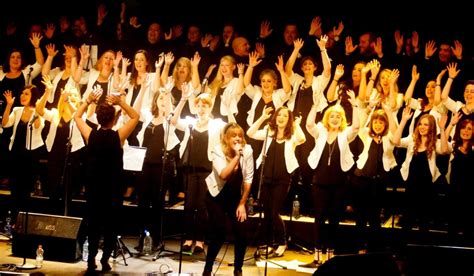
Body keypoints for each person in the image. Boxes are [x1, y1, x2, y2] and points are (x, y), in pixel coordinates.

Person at [74, 86, 139, 273]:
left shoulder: (90, 135)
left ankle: (91, 260)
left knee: (93, 225)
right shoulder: (118, 136)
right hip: (112, 189)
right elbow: (135, 117)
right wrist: (121, 102)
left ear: (98, 118)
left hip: (94, 188)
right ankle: (104, 260)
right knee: (111, 226)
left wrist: (87, 102)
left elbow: (77, 117)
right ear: (113, 119)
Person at [302, 92, 359, 267]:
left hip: (339, 182)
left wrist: (355, 105)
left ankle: (330, 255)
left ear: (342, 119)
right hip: (319, 181)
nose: (334, 118)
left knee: (334, 219)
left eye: (338, 116)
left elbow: (356, 127)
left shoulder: (345, 133)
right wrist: (314, 106)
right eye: (331, 116)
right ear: (327, 118)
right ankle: (317, 255)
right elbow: (309, 124)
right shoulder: (321, 131)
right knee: (319, 218)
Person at [171, 92, 226, 254]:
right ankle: (188, 239)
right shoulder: (190, 123)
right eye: (199, 105)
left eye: (205, 106)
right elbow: (173, 121)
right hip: (191, 169)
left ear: (210, 108)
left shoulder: (217, 124)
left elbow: (230, 131)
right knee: (189, 206)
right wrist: (182, 100)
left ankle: (200, 240)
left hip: (207, 170)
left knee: (202, 206)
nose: (201, 109)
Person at [247, 106, 305, 257]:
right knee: (266, 212)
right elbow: (250, 133)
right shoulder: (269, 132)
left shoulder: (291, 135)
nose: (281, 117)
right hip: (266, 177)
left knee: (274, 212)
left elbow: (302, 138)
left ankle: (282, 242)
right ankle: (268, 243)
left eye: (285, 116)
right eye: (279, 115)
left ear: (289, 120)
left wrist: (297, 125)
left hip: (283, 179)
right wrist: (262, 117)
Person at [203, 122, 253, 276]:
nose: (238, 139)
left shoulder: (248, 150)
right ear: (226, 138)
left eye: (240, 136)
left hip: (235, 198)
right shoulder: (218, 150)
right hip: (216, 196)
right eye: (234, 136)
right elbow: (223, 175)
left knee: (242, 232)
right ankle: (208, 268)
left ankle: (238, 269)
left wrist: (242, 203)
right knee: (219, 233)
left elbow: (248, 178)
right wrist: (236, 156)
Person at [2, 85, 43, 217]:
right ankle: (14, 219)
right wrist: (8, 105)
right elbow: (5, 124)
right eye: (22, 93)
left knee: (25, 190)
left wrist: (37, 110)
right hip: (15, 154)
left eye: (26, 94)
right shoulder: (17, 110)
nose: (22, 96)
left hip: (30, 156)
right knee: (14, 188)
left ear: (33, 97)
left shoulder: (39, 111)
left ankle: (23, 220)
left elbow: (37, 127)